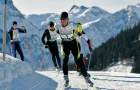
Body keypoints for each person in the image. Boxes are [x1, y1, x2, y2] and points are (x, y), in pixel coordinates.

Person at [55, 12, 93, 87]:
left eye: (64, 19)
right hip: (64, 44)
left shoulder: (72, 25)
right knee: (65, 60)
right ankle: (66, 79)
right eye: (61, 19)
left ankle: (86, 78)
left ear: (67, 19)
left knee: (78, 61)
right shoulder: (58, 26)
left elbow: (79, 26)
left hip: (73, 44)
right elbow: (52, 30)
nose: (62, 21)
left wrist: (79, 32)